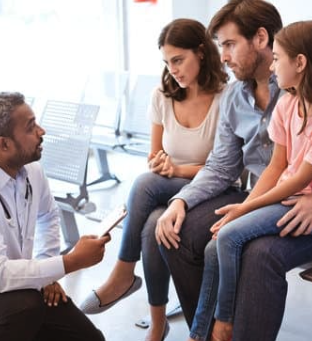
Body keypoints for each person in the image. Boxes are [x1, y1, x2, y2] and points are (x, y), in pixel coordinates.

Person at [153, 1, 312, 340]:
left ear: (261, 38)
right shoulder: (236, 96)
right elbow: (222, 166)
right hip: (266, 199)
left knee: (258, 254)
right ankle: (205, 334)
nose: (222, 56)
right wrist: (182, 201)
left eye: (229, 44)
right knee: (178, 235)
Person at [191, 19, 312, 341]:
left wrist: (245, 210)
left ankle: (224, 323)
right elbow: (276, 167)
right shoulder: (287, 102)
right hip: (287, 198)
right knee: (216, 244)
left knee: (229, 237)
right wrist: (243, 206)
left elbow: (300, 181)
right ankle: (198, 333)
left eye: (278, 57)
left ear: (300, 63)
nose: (272, 65)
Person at [79, 18, 227, 341]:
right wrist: (161, 163)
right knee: (150, 227)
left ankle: (122, 273)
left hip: (212, 189)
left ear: (200, 53)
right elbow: (154, 155)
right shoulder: (162, 95)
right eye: (167, 62)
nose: (173, 69)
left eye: (178, 60)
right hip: (169, 186)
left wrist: (175, 170)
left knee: (144, 184)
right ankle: (157, 324)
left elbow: (224, 167)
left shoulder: (224, 98)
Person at [0, 92, 110, 341]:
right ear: (4, 144)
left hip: (16, 285)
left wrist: (47, 273)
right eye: (31, 127)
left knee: (89, 339)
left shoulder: (31, 169)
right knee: (26, 306)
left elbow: (48, 215)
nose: (41, 131)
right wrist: (70, 262)